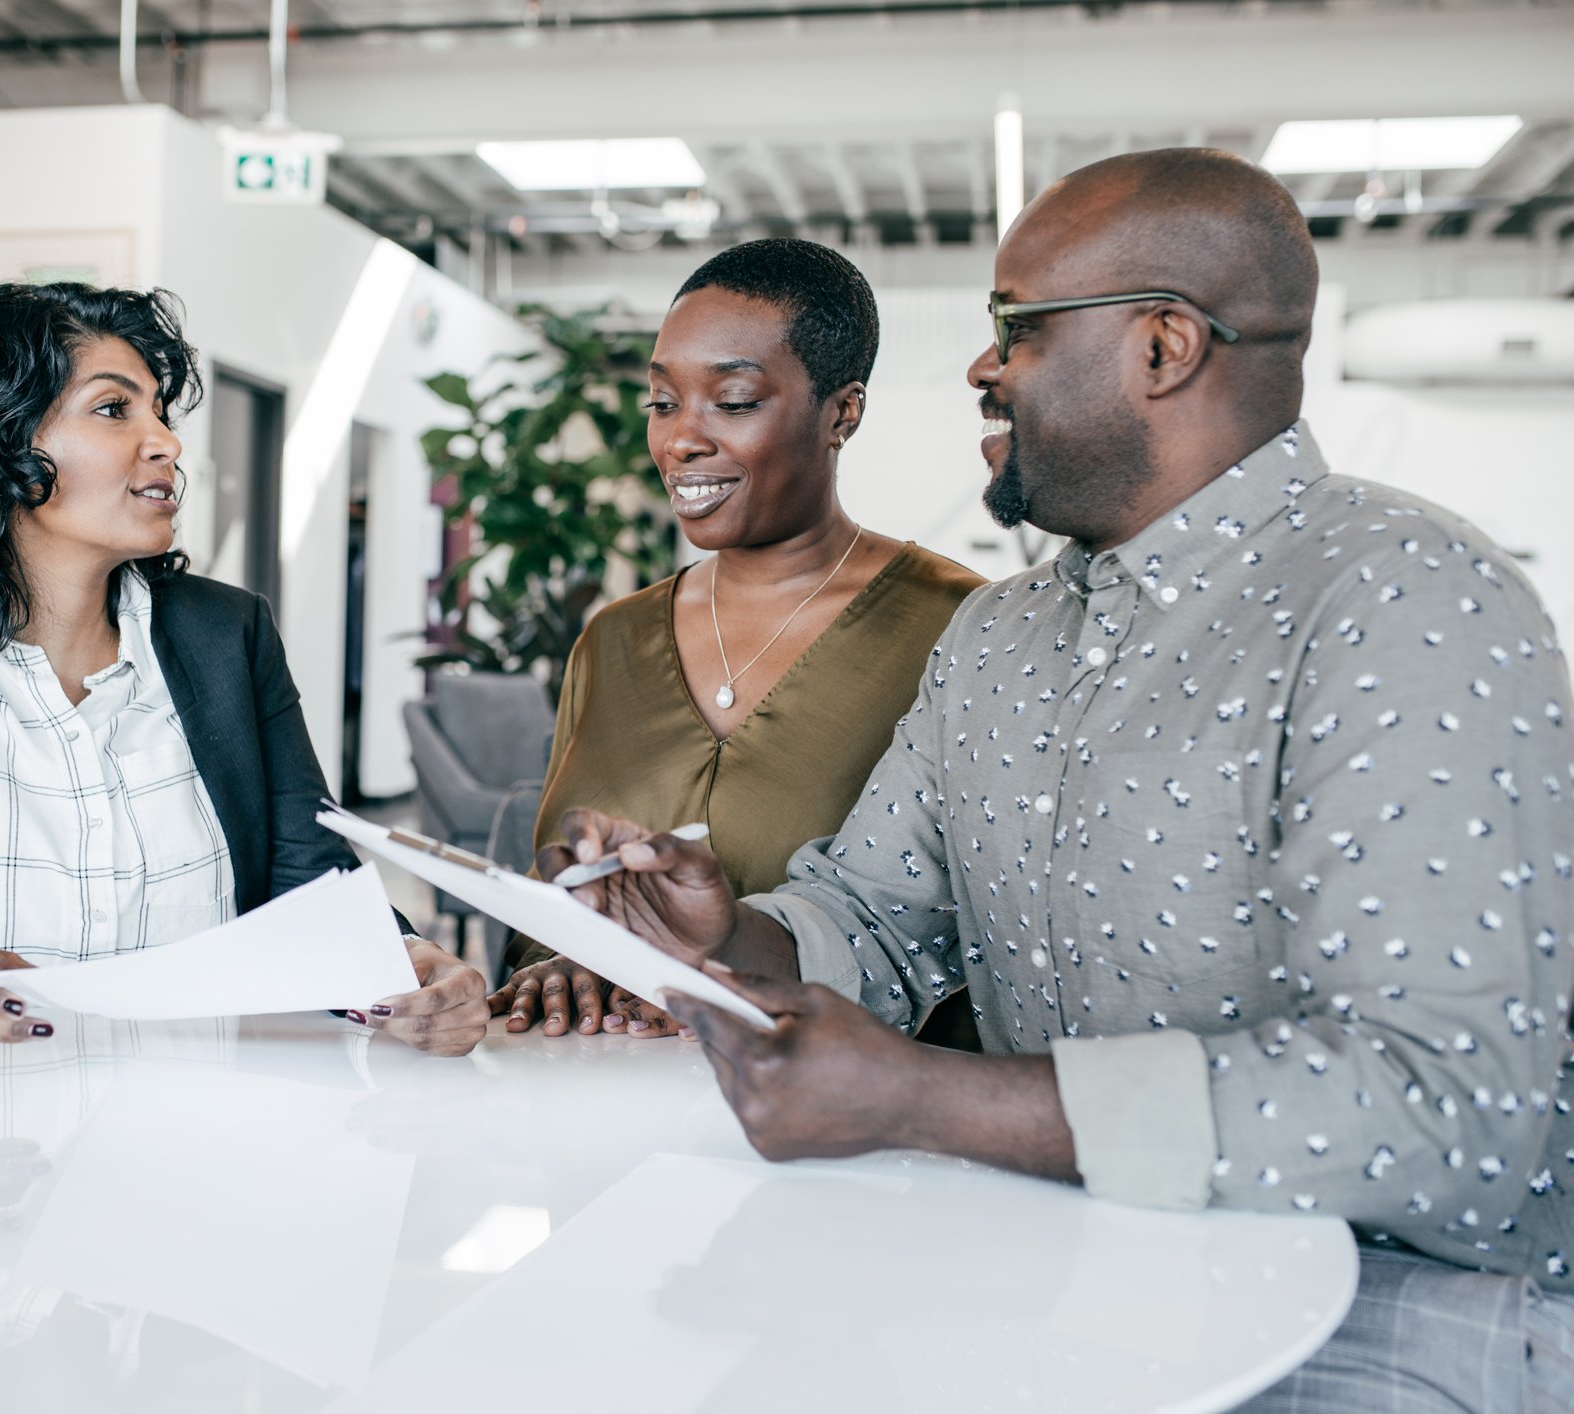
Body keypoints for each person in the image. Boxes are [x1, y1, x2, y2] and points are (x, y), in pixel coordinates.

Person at [544, 149, 1574, 1409]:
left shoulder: (1401, 601)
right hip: (1082, 1261)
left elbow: (1440, 1109)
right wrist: (731, 931)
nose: (980, 368)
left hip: (1396, 1309)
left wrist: (925, 1100)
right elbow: (870, 916)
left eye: (1013, 330)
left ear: (1160, 348)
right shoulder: (998, 638)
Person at [0, 282, 486, 1057]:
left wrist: (409, 970)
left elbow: (318, 896)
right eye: (115, 410)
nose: (167, 443)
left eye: (160, 411)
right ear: (2, 440)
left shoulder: (229, 638)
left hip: (210, 1140)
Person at [486, 239, 982, 1040]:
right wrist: (562, 963)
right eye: (662, 402)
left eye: (735, 400)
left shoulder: (961, 629)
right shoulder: (612, 642)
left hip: (862, 1126)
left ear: (841, 413)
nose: (682, 439)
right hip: (623, 1124)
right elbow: (561, 901)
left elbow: (977, 929)